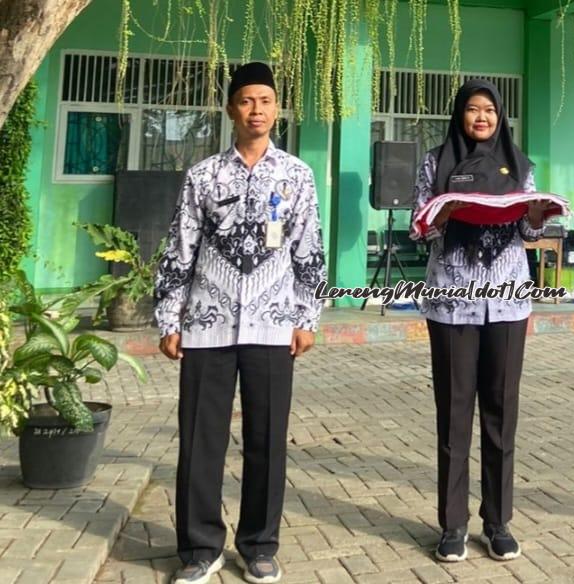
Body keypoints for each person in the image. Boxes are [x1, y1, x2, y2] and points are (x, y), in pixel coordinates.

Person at [155, 62, 326, 584]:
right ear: (231, 108)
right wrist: (169, 316)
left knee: (267, 439)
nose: (257, 110)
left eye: (266, 101)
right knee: (200, 438)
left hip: (273, 326)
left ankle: (259, 545)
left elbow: (308, 250)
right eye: (247, 100)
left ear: (277, 110)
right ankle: (200, 548)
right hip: (208, 322)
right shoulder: (203, 175)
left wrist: (307, 315)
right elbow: (180, 247)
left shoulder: (296, 175)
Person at [409, 79, 551, 563]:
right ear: (460, 116)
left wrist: (534, 214)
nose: (481, 118)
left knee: (501, 412)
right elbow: (417, 226)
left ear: (500, 116)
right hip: (452, 301)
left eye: (489, 110)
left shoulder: (521, 163)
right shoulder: (435, 162)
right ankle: (452, 525)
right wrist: (440, 215)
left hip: (508, 302)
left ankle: (498, 522)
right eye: (472, 110)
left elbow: (531, 231)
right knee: (453, 412)